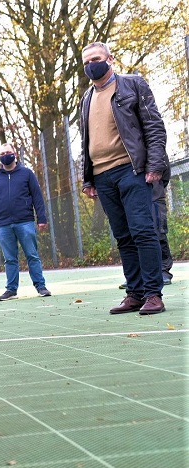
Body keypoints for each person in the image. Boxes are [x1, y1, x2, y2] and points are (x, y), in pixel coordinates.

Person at [79, 42, 169, 315]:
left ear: (110, 59)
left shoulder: (133, 85)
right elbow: (86, 142)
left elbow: (153, 126)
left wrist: (154, 166)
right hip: (102, 176)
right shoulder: (86, 98)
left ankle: (154, 293)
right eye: (86, 62)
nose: (91, 65)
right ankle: (135, 293)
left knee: (143, 231)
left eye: (96, 58)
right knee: (123, 237)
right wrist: (88, 179)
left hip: (133, 171)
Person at [0, 143, 52, 301]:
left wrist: (41, 218)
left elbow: (37, 197)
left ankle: (41, 286)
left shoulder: (27, 173)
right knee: (10, 259)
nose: (5, 155)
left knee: (32, 255)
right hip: (3, 224)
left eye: (8, 152)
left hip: (25, 221)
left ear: (15, 154)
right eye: (2, 153)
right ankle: (11, 290)